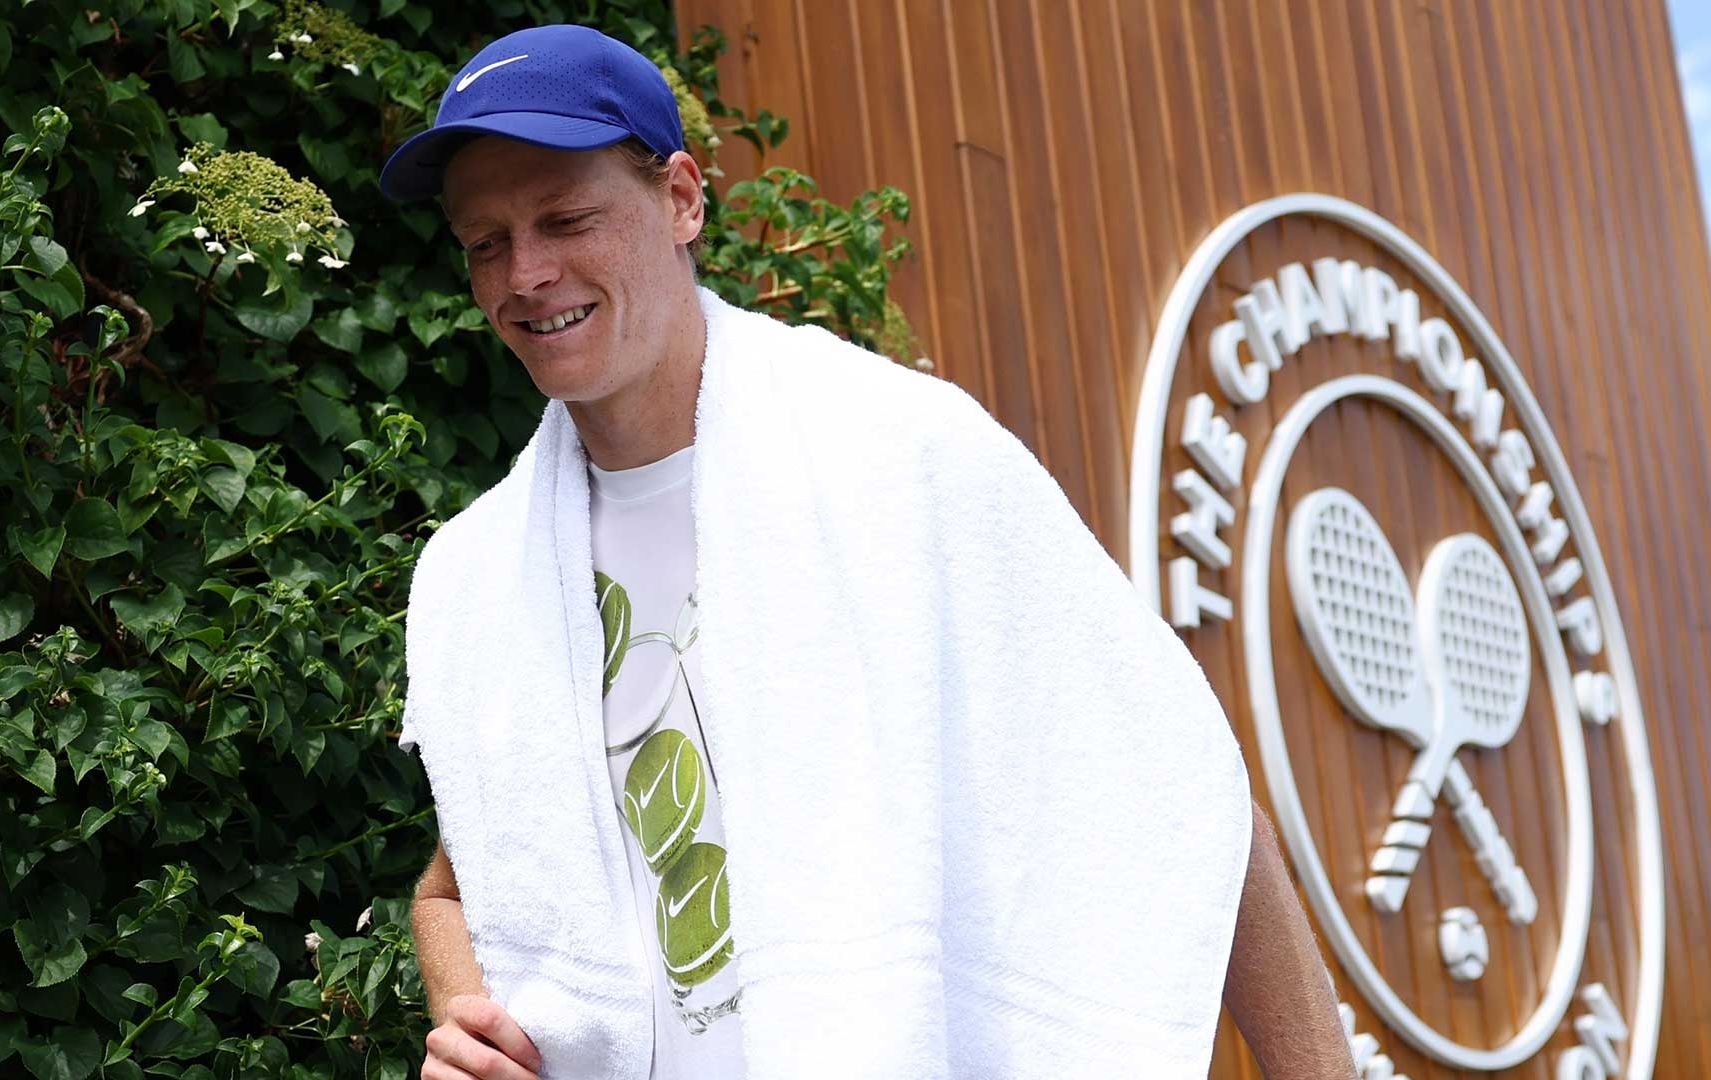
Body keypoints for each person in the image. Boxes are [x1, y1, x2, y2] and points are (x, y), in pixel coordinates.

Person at [380, 23, 1357, 1080]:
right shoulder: (481, 576)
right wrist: (471, 1025)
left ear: (681, 199)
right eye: (485, 243)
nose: (526, 274)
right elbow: (459, 887)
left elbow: (1191, 801)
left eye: (566, 219)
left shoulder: (905, 461)